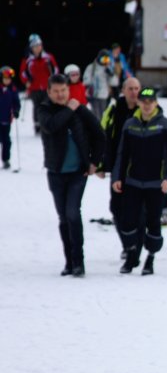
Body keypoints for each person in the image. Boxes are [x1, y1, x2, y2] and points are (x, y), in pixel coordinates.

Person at [37, 74, 105, 276]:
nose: (60, 94)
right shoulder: (44, 110)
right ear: (49, 92)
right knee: (63, 218)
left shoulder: (80, 109)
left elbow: (99, 134)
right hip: (56, 172)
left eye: (64, 90)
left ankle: (79, 262)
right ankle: (69, 261)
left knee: (73, 213)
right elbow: (51, 126)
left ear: (69, 90)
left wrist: (94, 162)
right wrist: (69, 108)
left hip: (78, 172)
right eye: (56, 91)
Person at [112, 88, 167, 276]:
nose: (147, 105)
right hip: (133, 181)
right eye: (144, 101)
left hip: (156, 184)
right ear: (139, 103)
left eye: (150, 101)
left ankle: (150, 258)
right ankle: (132, 254)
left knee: (153, 223)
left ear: (156, 103)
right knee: (128, 222)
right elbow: (122, 154)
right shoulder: (130, 124)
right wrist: (117, 177)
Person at [99, 76, 142, 255]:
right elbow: (102, 135)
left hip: (141, 168)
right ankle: (127, 244)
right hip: (118, 167)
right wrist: (100, 164)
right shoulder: (115, 109)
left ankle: (137, 245)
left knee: (139, 209)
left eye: (137, 88)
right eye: (130, 88)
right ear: (123, 90)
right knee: (117, 208)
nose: (134, 92)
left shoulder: (147, 108)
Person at [19, 33, 59, 134]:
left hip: (47, 87)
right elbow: (22, 73)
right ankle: (37, 126)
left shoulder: (48, 57)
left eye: (39, 45)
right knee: (37, 106)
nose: (37, 48)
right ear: (31, 48)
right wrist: (26, 81)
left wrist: (53, 78)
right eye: (35, 46)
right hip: (34, 88)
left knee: (47, 105)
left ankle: (47, 125)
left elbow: (56, 69)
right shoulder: (28, 59)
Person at [83, 49, 114, 120]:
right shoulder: (91, 67)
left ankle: (102, 128)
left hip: (104, 96)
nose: (105, 61)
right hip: (93, 95)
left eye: (107, 59)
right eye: (104, 59)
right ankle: (96, 128)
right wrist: (93, 81)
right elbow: (85, 81)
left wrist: (111, 75)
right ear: (99, 58)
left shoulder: (108, 68)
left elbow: (114, 83)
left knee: (104, 114)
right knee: (96, 115)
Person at [0, 66, 21, 169]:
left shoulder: (13, 89)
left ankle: (6, 159)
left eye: (9, 79)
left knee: (6, 141)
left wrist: (16, 111)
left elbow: (16, 102)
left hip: (6, 120)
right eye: (5, 78)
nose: (7, 81)